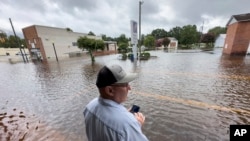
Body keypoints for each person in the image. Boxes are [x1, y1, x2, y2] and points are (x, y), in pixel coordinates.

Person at [83, 64, 148, 141]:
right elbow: (122, 126)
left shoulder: (90, 106)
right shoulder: (127, 124)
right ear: (110, 90)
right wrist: (136, 127)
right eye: (125, 84)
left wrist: (124, 114)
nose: (129, 88)